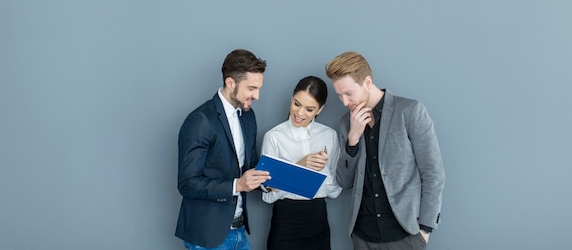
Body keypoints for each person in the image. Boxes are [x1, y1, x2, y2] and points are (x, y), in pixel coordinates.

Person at [325, 51, 445, 250]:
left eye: (348, 93)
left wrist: (425, 228)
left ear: (367, 81)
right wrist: (353, 140)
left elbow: (433, 173)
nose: (345, 102)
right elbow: (344, 182)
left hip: (406, 234)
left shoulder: (409, 111)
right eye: (339, 95)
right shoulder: (346, 123)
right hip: (363, 236)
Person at [175, 49, 271, 250]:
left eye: (259, 88)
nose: (257, 95)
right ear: (230, 83)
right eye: (252, 88)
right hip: (208, 236)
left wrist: (270, 182)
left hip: (239, 231)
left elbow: (250, 165)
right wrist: (237, 185)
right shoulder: (200, 121)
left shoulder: (248, 116)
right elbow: (188, 183)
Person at [260, 75, 342, 250]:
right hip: (285, 221)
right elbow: (268, 194)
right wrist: (301, 165)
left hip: (318, 220)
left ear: (319, 110)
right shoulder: (274, 137)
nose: (300, 113)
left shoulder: (329, 136)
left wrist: (322, 169)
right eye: (297, 104)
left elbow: (335, 191)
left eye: (309, 109)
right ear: (291, 99)